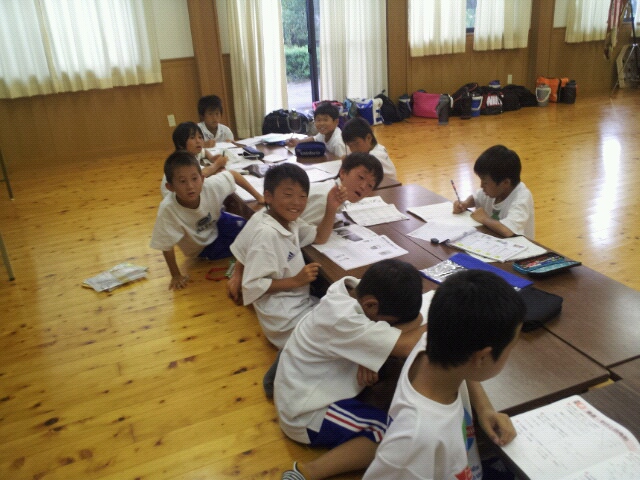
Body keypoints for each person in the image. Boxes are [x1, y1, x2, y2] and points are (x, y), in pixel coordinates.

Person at [363, 270, 525, 480]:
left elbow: (468, 367)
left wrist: (484, 408)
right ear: (482, 357)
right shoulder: (418, 438)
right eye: (511, 348)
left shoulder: (433, 345)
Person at [278, 259, 426, 480]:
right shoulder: (342, 317)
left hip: (305, 385)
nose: (390, 325)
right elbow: (406, 344)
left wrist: (370, 350)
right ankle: (307, 472)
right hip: (306, 414)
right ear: (370, 305)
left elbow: (415, 319)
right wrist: (445, 318)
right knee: (393, 434)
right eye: (389, 323)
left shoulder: (354, 291)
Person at [227, 152, 384, 305]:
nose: (363, 186)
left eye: (370, 185)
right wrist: (238, 273)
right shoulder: (321, 198)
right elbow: (259, 226)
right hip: (276, 285)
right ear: (343, 173)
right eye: (361, 177)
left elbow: (315, 234)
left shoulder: (327, 199)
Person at [240, 163, 345, 351]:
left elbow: (319, 237)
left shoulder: (290, 222)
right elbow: (251, 286)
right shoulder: (267, 234)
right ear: (268, 196)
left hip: (297, 304)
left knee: (344, 313)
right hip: (284, 320)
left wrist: (331, 208)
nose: (297, 202)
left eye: (303, 196)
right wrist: (296, 280)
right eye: (288, 195)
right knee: (343, 335)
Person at [150, 150, 263, 290]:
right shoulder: (168, 209)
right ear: (170, 187)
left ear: (202, 178)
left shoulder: (209, 186)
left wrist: (259, 196)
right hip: (203, 247)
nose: (190, 186)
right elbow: (166, 246)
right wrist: (176, 275)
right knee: (245, 247)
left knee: (252, 230)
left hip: (217, 223)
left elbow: (233, 175)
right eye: (182, 181)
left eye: (194, 179)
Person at [453, 144, 535, 238]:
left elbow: (507, 230)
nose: (481, 186)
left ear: (505, 183)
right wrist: (465, 203)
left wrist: (484, 219)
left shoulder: (521, 199)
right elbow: (476, 197)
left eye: (485, 182)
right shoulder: (493, 191)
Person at [160, 122, 227, 198]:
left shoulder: (193, 152)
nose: (198, 141)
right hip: (176, 197)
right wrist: (217, 164)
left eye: (200, 137)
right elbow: (200, 174)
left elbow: (204, 151)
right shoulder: (182, 160)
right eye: (192, 138)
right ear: (180, 143)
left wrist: (211, 157)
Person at [342, 117, 397, 181]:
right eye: (350, 146)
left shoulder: (374, 157)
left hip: (388, 186)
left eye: (356, 143)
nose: (353, 150)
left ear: (369, 138)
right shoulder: (378, 147)